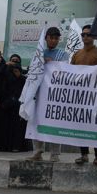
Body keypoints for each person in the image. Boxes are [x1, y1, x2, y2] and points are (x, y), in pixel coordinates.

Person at [28, 26, 68, 162]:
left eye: (56, 38)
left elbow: (66, 70)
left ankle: (55, 153)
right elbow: (31, 71)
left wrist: (54, 64)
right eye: (51, 38)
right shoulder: (39, 53)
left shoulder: (63, 54)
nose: (54, 41)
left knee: (54, 123)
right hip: (39, 94)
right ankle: (37, 151)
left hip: (54, 95)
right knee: (36, 121)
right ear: (46, 38)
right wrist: (40, 62)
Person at [72, 25, 97, 165]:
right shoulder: (77, 54)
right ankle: (84, 154)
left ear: (94, 37)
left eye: (88, 34)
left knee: (95, 126)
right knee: (81, 126)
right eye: (83, 34)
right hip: (80, 96)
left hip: (95, 96)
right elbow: (70, 73)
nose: (85, 37)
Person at [0, 55, 27, 152]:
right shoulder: (5, 73)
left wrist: (19, 76)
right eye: (12, 61)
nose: (14, 63)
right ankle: (4, 146)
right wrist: (5, 65)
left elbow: (25, 88)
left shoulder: (22, 75)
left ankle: (16, 146)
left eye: (17, 61)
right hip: (6, 104)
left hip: (18, 105)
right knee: (5, 126)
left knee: (17, 127)